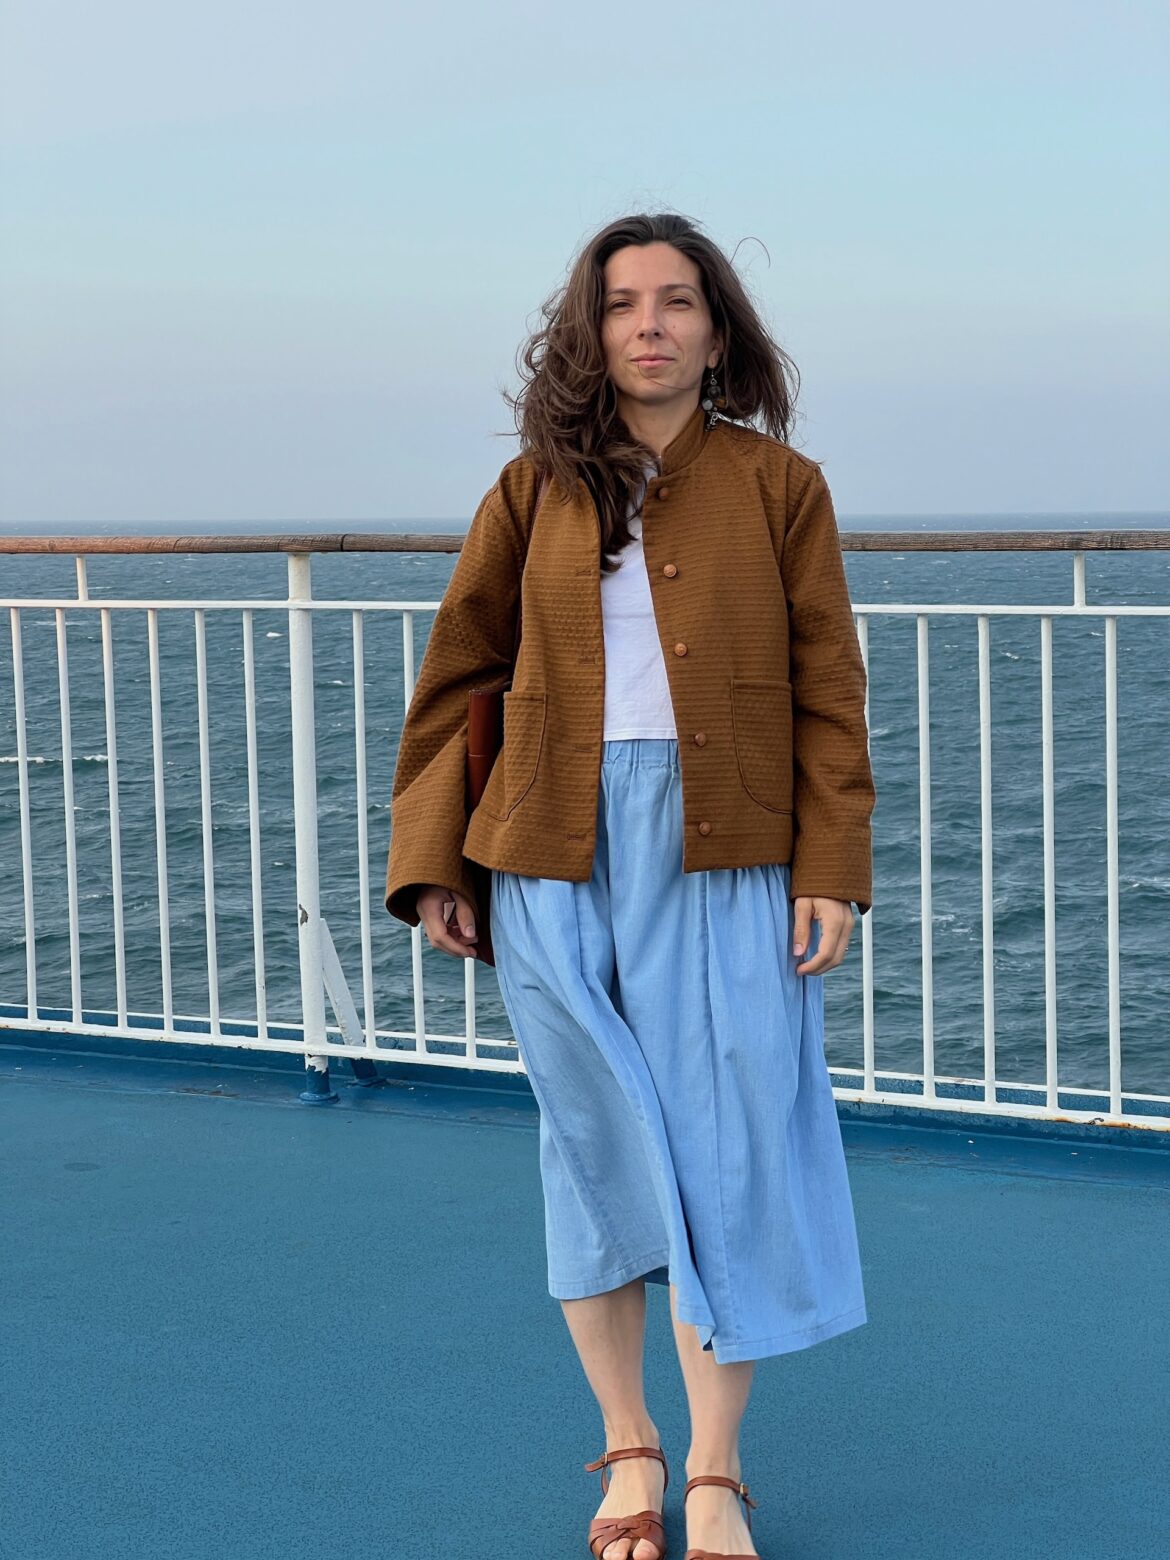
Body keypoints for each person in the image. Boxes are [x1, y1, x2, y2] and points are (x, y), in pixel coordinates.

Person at [385, 211, 876, 1560]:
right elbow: (459, 674)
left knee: (732, 1148)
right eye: (619, 303)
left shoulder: (781, 487)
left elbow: (829, 689)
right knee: (589, 1145)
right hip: (550, 846)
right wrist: (435, 862)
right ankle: (629, 1447)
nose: (648, 324)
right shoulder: (529, 491)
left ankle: (714, 1470)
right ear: (587, 333)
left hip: (728, 851)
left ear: (717, 333)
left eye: (676, 301)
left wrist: (829, 865)